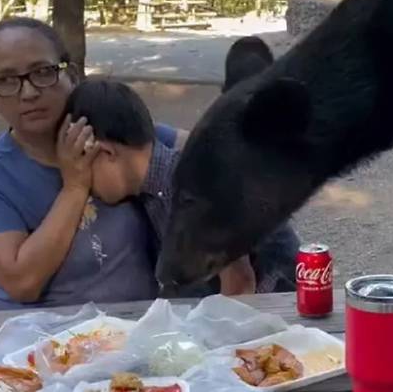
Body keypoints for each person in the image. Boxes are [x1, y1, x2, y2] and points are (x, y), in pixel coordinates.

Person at [0, 17, 185, 310]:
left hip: (137, 331)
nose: (29, 92)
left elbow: (206, 150)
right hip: (41, 342)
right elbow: (21, 283)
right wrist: (74, 186)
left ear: (71, 75)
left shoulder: (112, 130)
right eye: (7, 80)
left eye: (42, 72)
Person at [65, 79, 300, 296]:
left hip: (278, 301)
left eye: (84, 167)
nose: (86, 184)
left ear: (105, 152)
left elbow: (240, 283)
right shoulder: (151, 191)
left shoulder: (196, 187)